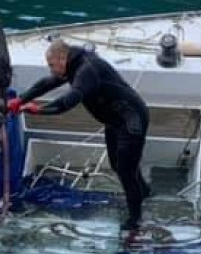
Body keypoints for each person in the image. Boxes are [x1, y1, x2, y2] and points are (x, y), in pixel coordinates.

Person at [9, 40, 152, 232]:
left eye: (51, 65)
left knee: (127, 171)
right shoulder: (74, 64)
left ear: (62, 58)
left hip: (131, 119)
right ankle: (143, 193)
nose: (50, 69)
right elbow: (48, 83)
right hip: (115, 120)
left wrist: (37, 110)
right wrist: (20, 99)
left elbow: (67, 103)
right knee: (119, 165)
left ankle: (135, 222)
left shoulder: (87, 70)